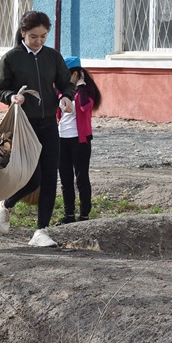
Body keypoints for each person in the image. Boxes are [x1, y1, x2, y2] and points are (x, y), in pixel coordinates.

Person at [0, 11, 76, 247]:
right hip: (24, 125)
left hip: (49, 123)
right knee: (33, 176)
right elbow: (0, 90)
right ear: (22, 33)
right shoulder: (11, 58)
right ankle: (6, 204)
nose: (39, 41)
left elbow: (65, 83)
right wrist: (11, 97)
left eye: (43, 36)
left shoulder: (53, 57)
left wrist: (66, 97)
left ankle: (41, 231)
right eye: (33, 36)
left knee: (50, 177)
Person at [57, 56, 102, 224]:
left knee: (81, 179)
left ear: (76, 74)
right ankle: (69, 215)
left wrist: (81, 87)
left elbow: (84, 107)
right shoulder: (62, 90)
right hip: (62, 139)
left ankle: (84, 215)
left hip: (80, 141)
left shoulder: (87, 91)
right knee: (65, 179)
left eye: (67, 74)